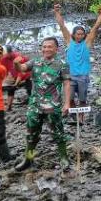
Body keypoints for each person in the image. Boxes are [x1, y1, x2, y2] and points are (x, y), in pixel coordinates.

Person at [14, 37, 71, 171]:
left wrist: (67, 103)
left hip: (53, 105)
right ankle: (28, 159)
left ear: (56, 49)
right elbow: (22, 69)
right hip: (35, 105)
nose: (46, 49)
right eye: (44, 46)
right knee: (31, 134)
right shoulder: (36, 62)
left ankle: (63, 158)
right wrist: (16, 64)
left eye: (50, 46)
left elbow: (67, 83)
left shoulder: (62, 64)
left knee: (58, 133)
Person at [54, 3, 101, 121]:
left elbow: (96, 27)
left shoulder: (87, 43)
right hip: (71, 76)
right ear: (73, 35)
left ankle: (81, 118)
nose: (80, 36)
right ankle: (74, 117)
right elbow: (62, 26)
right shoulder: (69, 42)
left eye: (82, 34)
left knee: (82, 99)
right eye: (78, 34)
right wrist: (57, 12)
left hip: (83, 76)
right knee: (70, 98)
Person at [0, 45, 31, 112]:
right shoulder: (3, 59)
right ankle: (9, 107)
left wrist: (16, 83)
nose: (3, 56)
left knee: (29, 90)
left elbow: (22, 72)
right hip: (14, 75)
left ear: (10, 52)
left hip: (27, 75)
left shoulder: (18, 58)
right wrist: (6, 79)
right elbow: (3, 70)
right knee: (10, 89)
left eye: (5, 54)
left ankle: (32, 104)